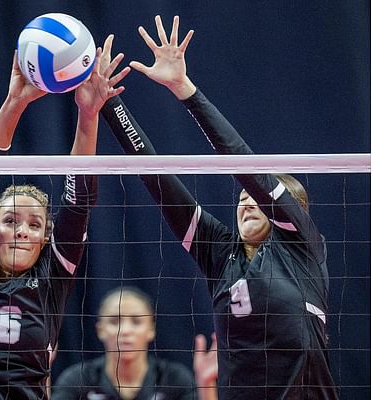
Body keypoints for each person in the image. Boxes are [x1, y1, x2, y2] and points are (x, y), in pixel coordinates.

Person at [98, 15, 338, 399]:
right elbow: (158, 179)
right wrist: (109, 105)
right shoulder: (220, 254)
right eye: (241, 199)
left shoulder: (303, 248)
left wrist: (185, 89)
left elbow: (243, 164)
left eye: (255, 198)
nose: (245, 202)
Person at [0, 35, 128, 400]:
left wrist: (88, 113)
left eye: (35, 224)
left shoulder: (52, 277)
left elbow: (78, 202)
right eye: (11, 221)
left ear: (46, 238)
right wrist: (15, 101)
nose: (22, 231)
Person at [51, 286, 218, 400]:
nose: (125, 331)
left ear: (151, 330)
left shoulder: (174, 379)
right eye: (114, 321)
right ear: (100, 330)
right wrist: (42, 372)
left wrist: (207, 384)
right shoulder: (78, 379)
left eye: (136, 321)